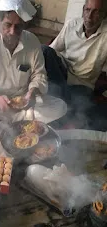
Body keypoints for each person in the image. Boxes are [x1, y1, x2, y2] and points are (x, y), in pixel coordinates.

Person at [0, 0, 67, 142]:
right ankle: (20, 128)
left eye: (18, 27)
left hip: (23, 103)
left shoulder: (32, 41)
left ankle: (9, 129)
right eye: (8, 25)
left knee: (60, 107)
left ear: (24, 25)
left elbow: (39, 75)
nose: (12, 32)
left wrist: (32, 92)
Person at [42, 0, 107, 130]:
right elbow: (53, 49)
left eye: (96, 12)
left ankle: (61, 103)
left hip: (82, 84)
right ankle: (63, 102)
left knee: (81, 103)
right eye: (87, 10)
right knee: (44, 50)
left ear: (104, 15)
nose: (89, 16)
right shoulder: (71, 24)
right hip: (63, 72)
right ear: (83, 10)